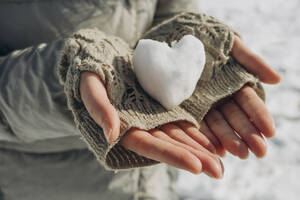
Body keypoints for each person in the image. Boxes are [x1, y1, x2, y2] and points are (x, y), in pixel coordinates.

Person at [0, 0, 280, 199]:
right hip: (30, 182)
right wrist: (67, 76)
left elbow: (169, 11)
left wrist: (179, 31)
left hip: (149, 181)